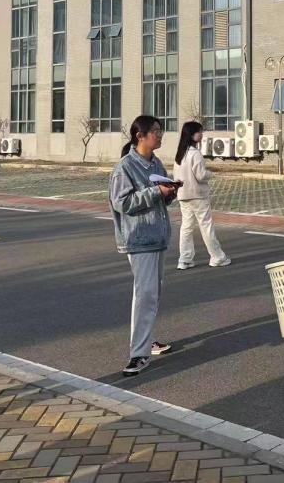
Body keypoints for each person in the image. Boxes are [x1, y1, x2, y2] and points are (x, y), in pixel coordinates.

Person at [109, 115, 180, 376]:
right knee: (145, 295)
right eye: (155, 131)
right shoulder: (125, 167)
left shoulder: (155, 162)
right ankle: (138, 354)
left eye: (161, 131)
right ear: (140, 135)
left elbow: (158, 198)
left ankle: (146, 340)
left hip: (157, 236)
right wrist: (156, 192)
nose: (160, 136)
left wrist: (169, 193)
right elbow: (122, 203)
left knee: (152, 294)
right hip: (139, 239)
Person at [173, 121, 229, 269]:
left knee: (186, 227)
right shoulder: (195, 153)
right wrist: (211, 173)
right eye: (199, 132)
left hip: (183, 194)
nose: (201, 134)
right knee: (206, 226)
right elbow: (201, 175)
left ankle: (185, 259)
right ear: (192, 135)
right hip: (197, 195)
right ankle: (217, 257)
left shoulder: (180, 153)